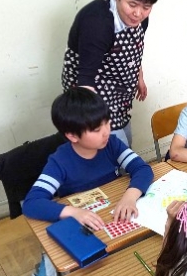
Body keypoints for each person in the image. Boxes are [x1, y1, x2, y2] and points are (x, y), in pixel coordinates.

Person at [23, 87, 154, 230]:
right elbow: (32, 203)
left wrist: (130, 197)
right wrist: (73, 212)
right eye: (97, 129)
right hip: (86, 220)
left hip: (114, 207)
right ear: (72, 135)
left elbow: (142, 168)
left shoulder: (112, 144)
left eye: (107, 122)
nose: (106, 132)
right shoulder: (60, 162)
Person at [61, 0, 162, 147]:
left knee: (125, 144)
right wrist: (96, 125)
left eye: (146, 7)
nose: (138, 13)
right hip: (91, 92)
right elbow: (85, 82)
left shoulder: (140, 18)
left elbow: (134, 48)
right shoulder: (97, 22)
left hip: (119, 92)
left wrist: (138, 76)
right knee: (115, 154)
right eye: (132, 4)